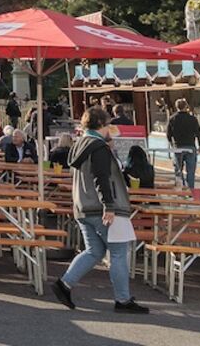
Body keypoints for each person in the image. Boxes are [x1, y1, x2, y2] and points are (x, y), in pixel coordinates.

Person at [53, 108, 148, 314]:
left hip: (83, 206)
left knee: (94, 251)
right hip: (102, 208)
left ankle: (64, 284)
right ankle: (122, 300)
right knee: (119, 253)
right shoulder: (98, 148)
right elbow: (102, 178)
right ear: (100, 125)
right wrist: (109, 206)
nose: (110, 129)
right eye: (108, 125)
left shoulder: (80, 144)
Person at [166, 98, 200, 190]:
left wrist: (171, 145)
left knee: (178, 170)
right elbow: (198, 133)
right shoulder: (192, 119)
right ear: (186, 106)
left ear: (176, 107)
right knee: (191, 171)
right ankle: (190, 190)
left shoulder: (172, 119)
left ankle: (181, 188)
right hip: (190, 147)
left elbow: (168, 135)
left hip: (178, 147)